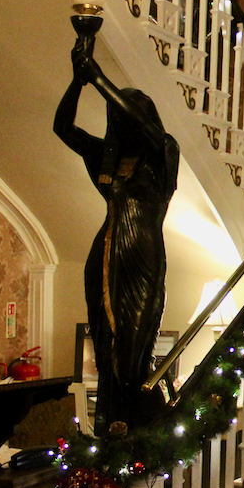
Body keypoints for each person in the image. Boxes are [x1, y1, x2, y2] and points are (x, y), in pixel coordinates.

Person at [55, 34, 179, 432]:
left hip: (141, 258)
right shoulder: (108, 158)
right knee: (106, 354)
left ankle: (149, 437)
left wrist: (98, 77)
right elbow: (62, 127)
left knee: (133, 359)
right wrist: (78, 80)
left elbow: (143, 126)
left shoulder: (163, 152)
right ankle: (112, 435)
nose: (122, 121)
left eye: (127, 114)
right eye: (117, 115)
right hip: (105, 255)